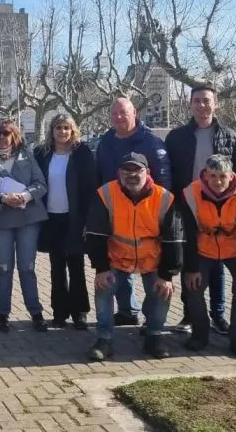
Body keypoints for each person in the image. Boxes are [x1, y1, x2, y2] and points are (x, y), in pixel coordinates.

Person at [85, 152, 182, 361]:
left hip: (152, 259)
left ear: (147, 172)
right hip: (116, 258)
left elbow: (174, 240)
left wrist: (167, 275)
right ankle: (104, 339)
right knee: (103, 288)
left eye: (137, 170)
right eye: (126, 170)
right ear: (119, 173)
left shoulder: (164, 197)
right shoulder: (105, 194)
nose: (131, 175)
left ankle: (154, 337)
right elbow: (95, 235)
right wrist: (101, 269)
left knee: (163, 291)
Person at [164, 85, 236, 335]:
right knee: (190, 260)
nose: (201, 105)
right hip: (188, 205)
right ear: (191, 104)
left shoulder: (229, 135)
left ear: (215, 104)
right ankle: (190, 314)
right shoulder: (177, 136)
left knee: (217, 261)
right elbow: (170, 172)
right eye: (196, 101)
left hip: (220, 207)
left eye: (206, 101)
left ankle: (218, 314)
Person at [95, 97, 171, 328]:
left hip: (146, 211)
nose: (118, 117)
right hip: (113, 207)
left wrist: (162, 212)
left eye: (123, 113)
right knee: (119, 263)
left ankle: (152, 323)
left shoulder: (151, 143)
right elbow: (99, 174)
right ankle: (128, 311)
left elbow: (164, 179)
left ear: (135, 112)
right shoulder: (106, 141)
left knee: (150, 270)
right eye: (114, 113)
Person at [181, 154, 236, 359]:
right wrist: (191, 268)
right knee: (193, 288)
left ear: (231, 175)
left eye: (222, 176)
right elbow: (187, 234)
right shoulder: (190, 193)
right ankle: (200, 335)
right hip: (202, 249)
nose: (217, 181)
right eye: (212, 176)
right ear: (205, 175)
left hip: (235, 250)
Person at [0, 119, 50, 333]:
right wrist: (1, 198)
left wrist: (25, 195)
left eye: (6, 134)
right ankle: (3, 314)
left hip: (27, 218)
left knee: (27, 268)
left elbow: (41, 184)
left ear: (14, 135)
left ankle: (36, 313)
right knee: (4, 268)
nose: (1, 138)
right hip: (1, 221)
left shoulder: (26, 155)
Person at [33, 114, 97, 329]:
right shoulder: (42, 154)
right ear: (52, 130)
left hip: (74, 217)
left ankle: (80, 312)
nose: (62, 132)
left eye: (66, 128)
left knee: (76, 265)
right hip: (51, 217)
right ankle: (60, 311)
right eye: (58, 127)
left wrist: (88, 218)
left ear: (73, 130)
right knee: (56, 266)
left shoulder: (82, 153)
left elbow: (90, 186)